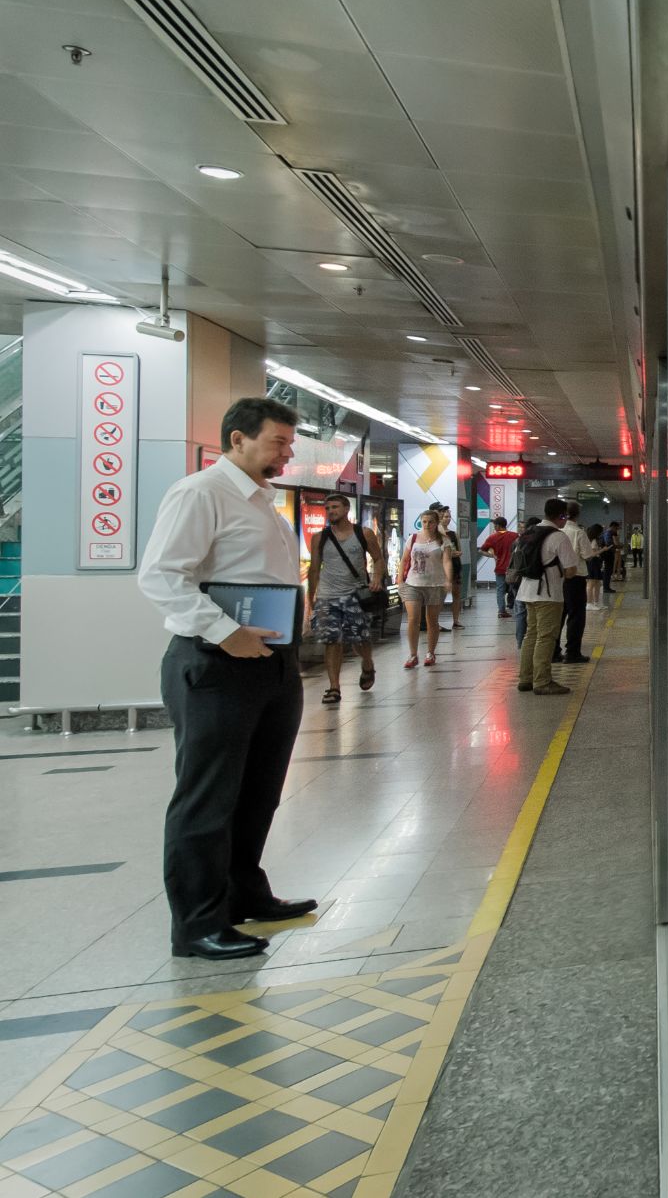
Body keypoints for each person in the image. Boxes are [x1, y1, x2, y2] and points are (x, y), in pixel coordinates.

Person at [137, 396, 317, 961]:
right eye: (277, 443)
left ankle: (244, 894)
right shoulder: (200, 494)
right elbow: (161, 576)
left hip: (273, 666)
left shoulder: (263, 500)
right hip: (216, 665)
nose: (286, 453)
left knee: (258, 791)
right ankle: (195, 924)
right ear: (236, 439)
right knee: (208, 797)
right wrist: (224, 633)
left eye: (289, 444)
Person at [305, 493, 383, 705]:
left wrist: (376, 577)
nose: (331, 511)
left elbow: (378, 558)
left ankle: (367, 663)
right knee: (332, 641)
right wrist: (311, 599)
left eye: (335, 507)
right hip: (327, 597)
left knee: (360, 638)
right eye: (328, 508)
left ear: (346, 509)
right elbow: (314, 570)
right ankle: (334, 687)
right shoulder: (320, 538)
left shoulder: (363, 534)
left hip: (354, 595)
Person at [515, 498, 578, 695]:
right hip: (548, 594)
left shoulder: (529, 532)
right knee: (546, 637)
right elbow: (571, 570)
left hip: (527, 591)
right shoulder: (558, 537)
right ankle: (542, 681)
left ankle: (526, 678)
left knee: (530, 635)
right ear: (562, 516)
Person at [399, 508, 454, 668]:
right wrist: (400, 578)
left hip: (435, 584)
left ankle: (430, 652)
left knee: (432, 620)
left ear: (436, 523)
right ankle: (413, 654)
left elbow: (447, 561)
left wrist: (448, 579)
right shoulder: (413, 538)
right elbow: (404, 559)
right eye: (424, 521)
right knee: (413, 619)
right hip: (413, 583)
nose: (427, 525)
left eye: (430, 522)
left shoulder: (443, 541)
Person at [560, 500, 592, 662]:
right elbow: (587, 555)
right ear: (578, 514)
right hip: (576, 578)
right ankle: (572, 652)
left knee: (559, 615)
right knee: (576, 616)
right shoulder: (579, 533)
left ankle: (554, 651)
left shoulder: (558, 531)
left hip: (558, 579)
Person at [480, 516, 518, 618]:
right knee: (515, 589)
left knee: (500, 590)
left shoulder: (492, 537)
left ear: (497, 525)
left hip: (500, 567)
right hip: (513, 568)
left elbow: (482, 550)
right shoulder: (515, 536)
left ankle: (501, 611)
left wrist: (492, 555)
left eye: (494, 525)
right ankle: (519, 609)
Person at [512, 516, 540, 646]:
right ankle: (529, 640)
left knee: (520, 612)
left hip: (516, 579)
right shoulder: (535, 542)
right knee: (531, 612)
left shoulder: (518, 541)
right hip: (529, 579)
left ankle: (520, 641)